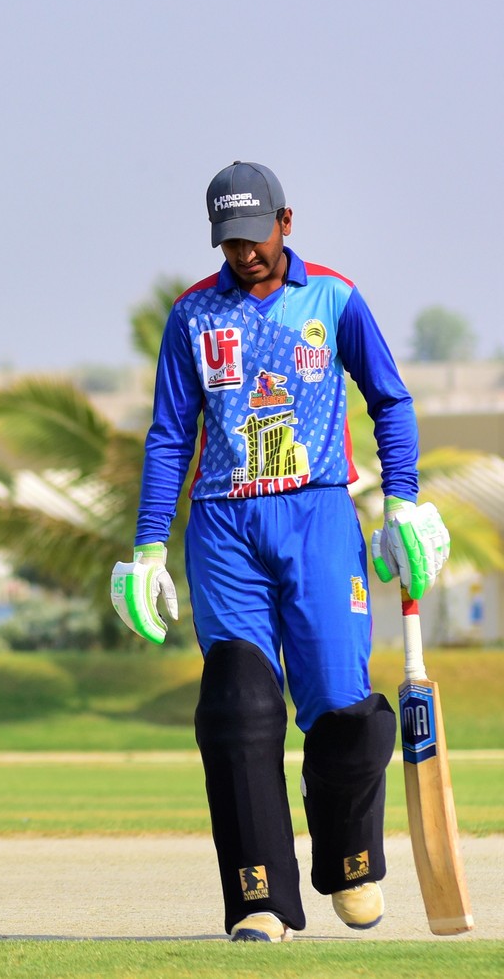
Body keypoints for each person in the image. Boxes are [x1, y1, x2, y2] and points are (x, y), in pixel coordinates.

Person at [111, 162, 451, 942]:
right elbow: (170, 435)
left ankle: (350, 863)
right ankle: (259, 896)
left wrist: (403, 502)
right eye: (229, 242)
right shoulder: (193, 315)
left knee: (345, 711)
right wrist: (148, 546)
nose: (245, 253)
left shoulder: (333, 298)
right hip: (223, 526)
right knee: (237, 708)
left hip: (319, 515)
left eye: (255, 237)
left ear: (285, 222)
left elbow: (390, 400)